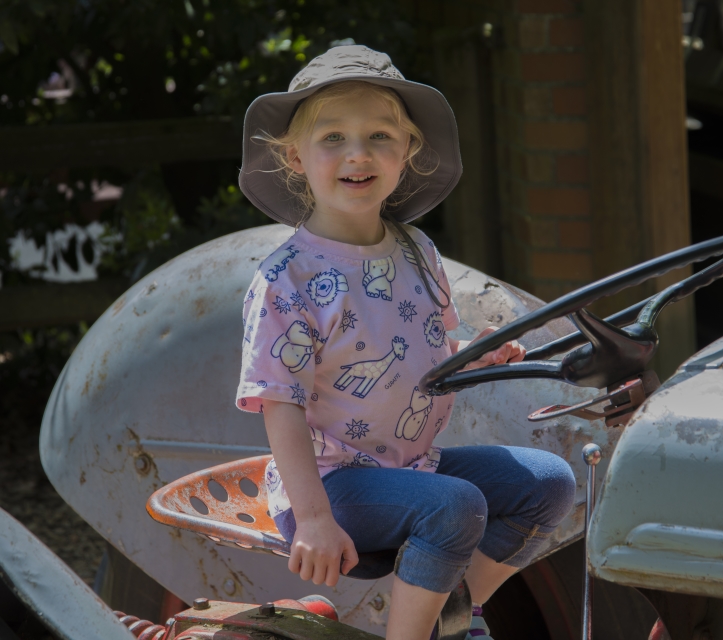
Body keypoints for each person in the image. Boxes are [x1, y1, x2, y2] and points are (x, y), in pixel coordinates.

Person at [236, 45, 576, 640]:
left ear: (408, 151)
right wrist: (313, 519)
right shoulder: (286, 279)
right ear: (295, 156)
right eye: (333, 137)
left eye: (380, 136)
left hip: (412, 466)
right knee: (456, 504)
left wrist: (473, 352)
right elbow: (279, 402)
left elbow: (424, 346)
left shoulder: (416, 249)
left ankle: (453, 615)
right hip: (329, 484)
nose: (358, 153)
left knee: (548, 482)